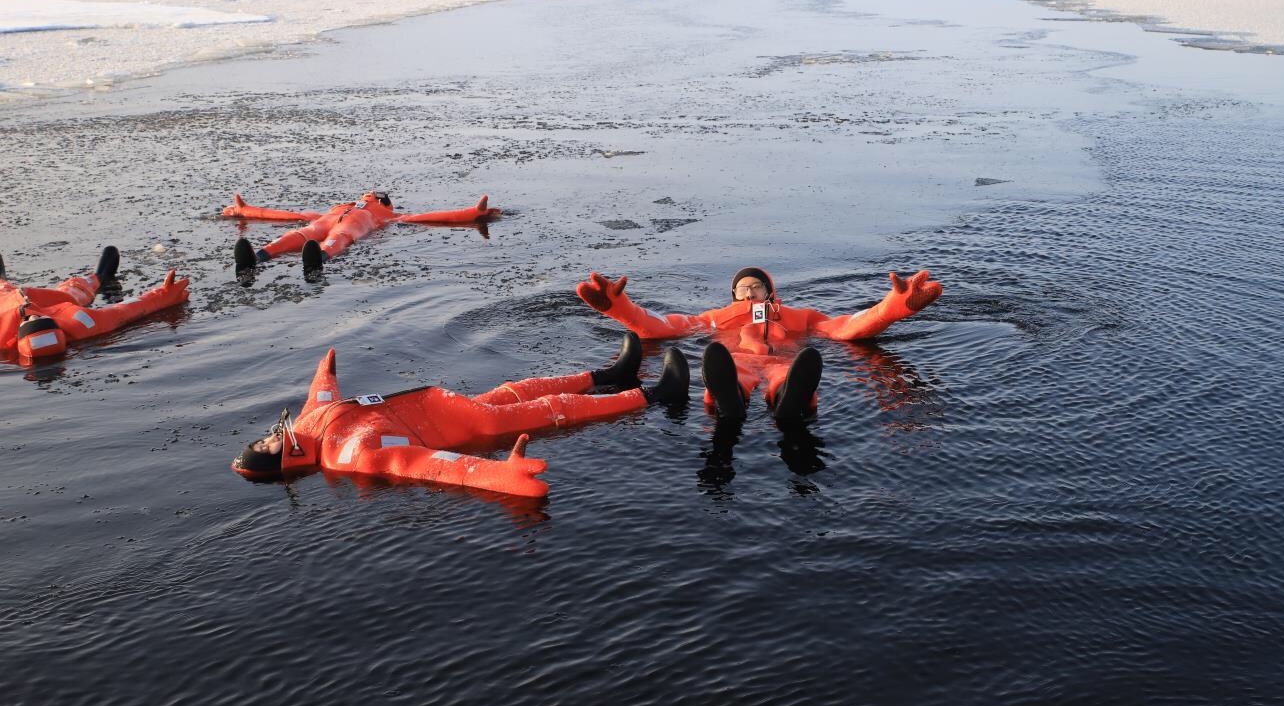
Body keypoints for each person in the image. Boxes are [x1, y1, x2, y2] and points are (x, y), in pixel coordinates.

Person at [230, 332, 688, 499]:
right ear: (285, 462)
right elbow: (434, 466)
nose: (272, 435)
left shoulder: (308, 423)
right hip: (472, 426)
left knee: (518, 389)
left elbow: (323, 395)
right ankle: (653, 396)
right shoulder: (353, 456)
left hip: (446, 404)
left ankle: (610, 373)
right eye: (268, 446)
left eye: (264, 437)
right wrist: (502, 476)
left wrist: (325, 372)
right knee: (549, 409)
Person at [575, 266, 942, 424]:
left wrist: (892, 308)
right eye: (743, 288)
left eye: (756, 287)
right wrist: (621, 308)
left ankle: (788, 399)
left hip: (784, 357)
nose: (749, 292)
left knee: (788, 372)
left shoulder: (799, 315)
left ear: (770, 292)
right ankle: (728, 397)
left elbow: (846, 328)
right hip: (737, 358)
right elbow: (661, 327)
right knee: (730, 368)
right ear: (732, 294)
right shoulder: (716, 317)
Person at [223, 191, 502, 274]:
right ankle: (259, 256)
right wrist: (245, 210)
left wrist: (471, 213)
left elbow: (427, 218)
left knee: (332, 237)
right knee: (299, 234)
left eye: (377, 194)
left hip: (347, 224)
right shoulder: (344, 207)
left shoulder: (388, 215)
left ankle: (316, 257)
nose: (371, 193)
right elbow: (291, 215)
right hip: (332, 221)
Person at [1, 247, 190, 365]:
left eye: (31, 322)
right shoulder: (81, 325)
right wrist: (164, 294)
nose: (34, 317)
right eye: (42, 322)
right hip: (56, 304)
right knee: (76, 291)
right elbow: (123, 311)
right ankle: (99, 276)